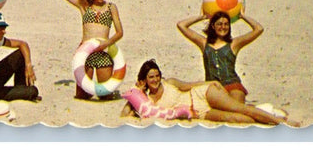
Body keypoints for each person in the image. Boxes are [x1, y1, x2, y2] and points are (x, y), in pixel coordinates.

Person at [120, 59, 289, 125]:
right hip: (198, 113)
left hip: (201, 94)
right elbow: (124, 114)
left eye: (157, 75)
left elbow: (190, 85)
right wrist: (138, 90)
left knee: (240, 108)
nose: (156, 79)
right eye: (151, 77)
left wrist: (212, 83)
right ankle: (270, 113)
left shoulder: (169, 82)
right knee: (235, 118)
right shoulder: (145, 99)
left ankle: (282, 124)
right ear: (144, 79)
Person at [55, 0, 123, 99]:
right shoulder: (84, 6)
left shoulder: (111, 7)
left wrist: (106, 43)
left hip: (103, 52)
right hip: (85, 54)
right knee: (82, 95)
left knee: (105, 96)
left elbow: (120, 32)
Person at [176, 10, 263, 103]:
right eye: (220, 24)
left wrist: (242, 16)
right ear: (213, 26)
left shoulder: (234, 44)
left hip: (232, 85)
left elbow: (259, 29)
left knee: (237, 108)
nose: (223, 27)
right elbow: (181, 25)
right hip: (213, 87)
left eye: (226, 24)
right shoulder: (204, 43)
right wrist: (201, 17)